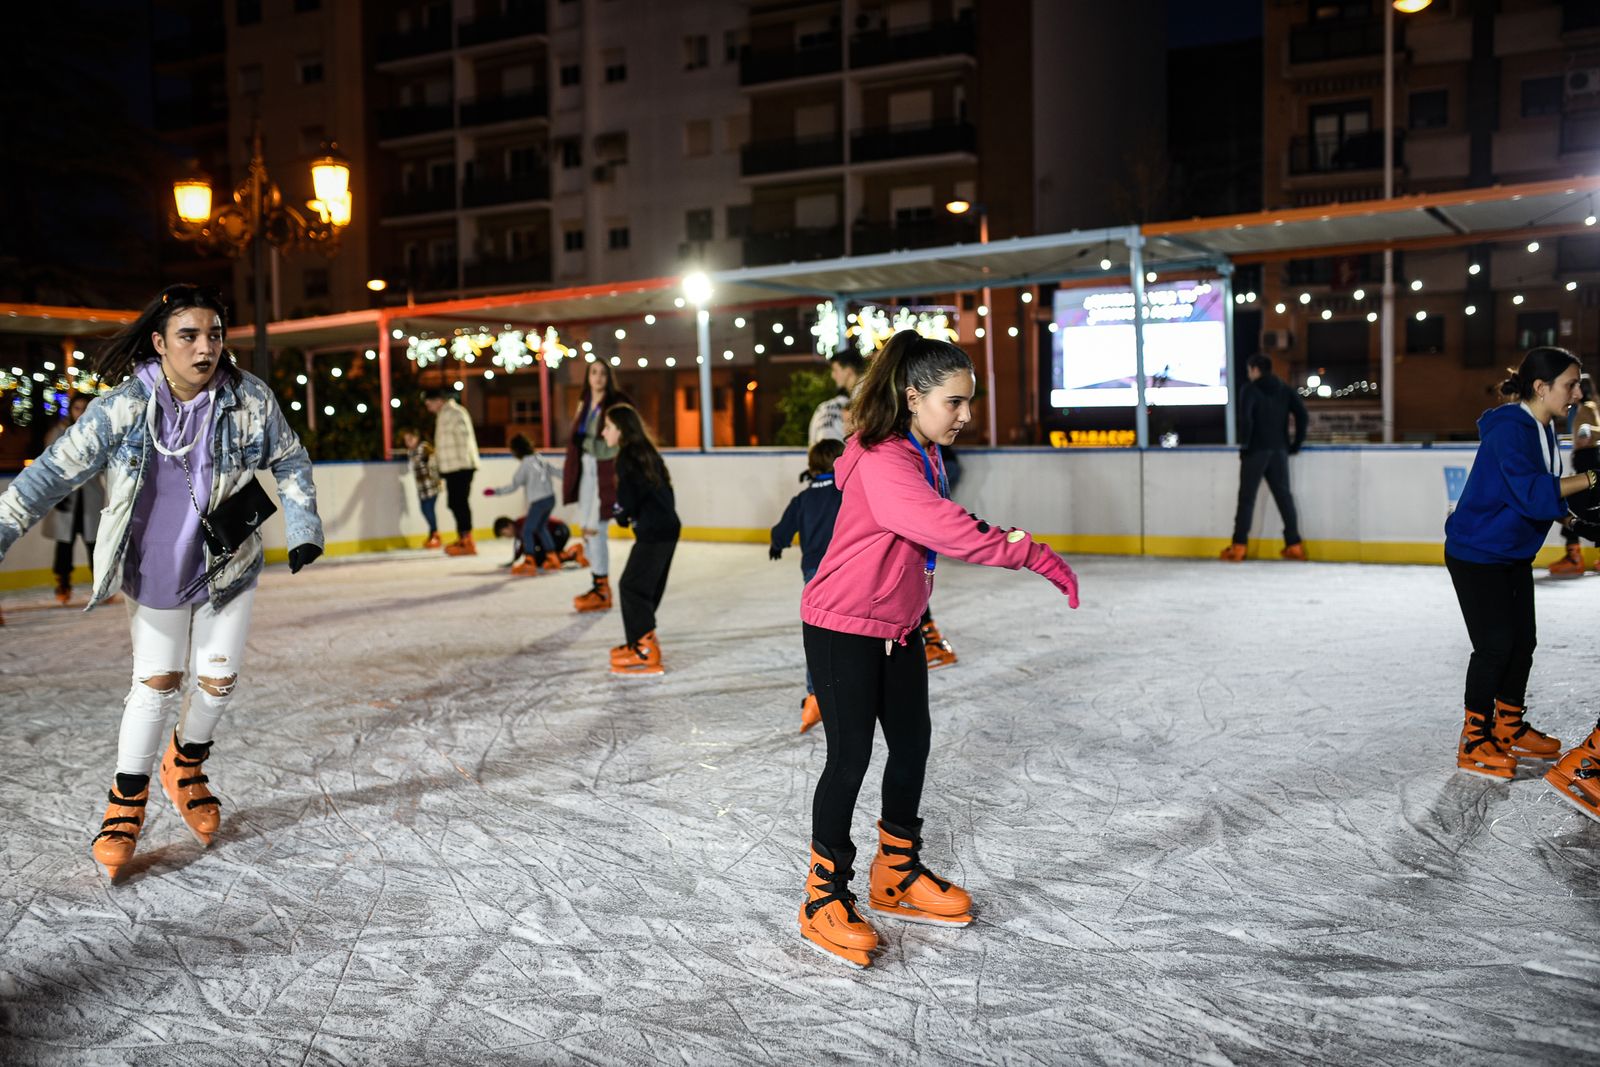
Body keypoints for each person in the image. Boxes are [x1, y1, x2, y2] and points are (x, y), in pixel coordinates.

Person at [0, 283, 323, 881]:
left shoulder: (248, 397)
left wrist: (303, 523)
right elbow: (51, 474)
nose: (206, 348)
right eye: (189, 336)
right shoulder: (124, 407)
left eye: (216, 335)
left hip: (228, 563)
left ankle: (186, 763)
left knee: (219, 681)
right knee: (157, 683)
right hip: (153, 568)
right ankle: (126, 801)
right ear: (159, 342)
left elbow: (291, 457)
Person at [796, 330, 1080, 968]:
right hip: (843, 626)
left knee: (913, 742)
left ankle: (895, 872)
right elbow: (948, 530)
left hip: (896, 627)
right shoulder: (886, 459)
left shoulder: (922, 451)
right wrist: (1032, 551)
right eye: (955, 402)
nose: (966, 415)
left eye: (969, 401)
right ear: (913, 396)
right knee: (850, 758)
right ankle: (822, 897)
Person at [1443, 346, 1598, 782]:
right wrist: (1592, 477)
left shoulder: (1542, 427)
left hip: (1510, 553)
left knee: (1523, 642)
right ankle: (1474, 739)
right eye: (1570, 384)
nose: (1577, 392)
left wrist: (1575, 520)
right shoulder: (1512, 428)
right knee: (1495, 646)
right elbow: (1531, 492)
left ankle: (1507, 725)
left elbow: (1534, 494)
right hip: (1477, 554)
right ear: (1541, 386)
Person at [770, 438, 846, 733]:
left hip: (814, 573)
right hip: (845, 569)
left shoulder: (802, 499)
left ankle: (815, 696)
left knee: (819, 633)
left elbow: (781, 531)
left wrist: (777, 544)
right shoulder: (846, 492)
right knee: (848, 630)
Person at [603, 404, 680, 676]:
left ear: (621, 430)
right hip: (668, 527)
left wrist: (620, 515)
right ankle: (644, 640)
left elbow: (626, 499)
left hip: (653, 530)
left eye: (608, 427)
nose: (604, 432)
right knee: (645, 587)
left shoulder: (626, 456)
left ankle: (644, 649)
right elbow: (665, 491)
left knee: (631, 586)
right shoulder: (648, 452)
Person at [1220, 353, 1309, 562]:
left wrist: (1245, 445)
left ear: (1255, 369)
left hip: (1256, 451)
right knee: (1284, 497)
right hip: (1279, 451)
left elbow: (1247, 419)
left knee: (1246, 500)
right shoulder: (1284, 389)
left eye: (1249, 370)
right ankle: (1294, 545)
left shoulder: (1249, 390)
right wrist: (1295, 444)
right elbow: (1302, 415)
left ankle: (1239, 546)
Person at [563, 361, 630, 613]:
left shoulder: (617, 402)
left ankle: (602, 587)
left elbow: (626, 431)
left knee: (596, 527)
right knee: (586, 527)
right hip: (586, 466)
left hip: (606, 467)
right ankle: (597, 581)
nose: (598, 377)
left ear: (609, 377)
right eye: (593, 372)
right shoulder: (585, 403)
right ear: (587, 377)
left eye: (603, 373)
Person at [43, 393, 106, 604]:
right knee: (64, 545)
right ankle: (63, 583)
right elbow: (48, 464)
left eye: (84, 408)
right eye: (76, 408)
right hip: (66, 498)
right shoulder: (58, 433)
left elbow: (107, 463)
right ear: (70, 410)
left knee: (94, 545)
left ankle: (100, 585)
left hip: (89, 497)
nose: (79, 412)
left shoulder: (99, 431)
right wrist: (55, 492)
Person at [484, 433, 559, 576]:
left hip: (539, 501)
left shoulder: (526, 464)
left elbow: (514, 485)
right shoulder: (539, 458)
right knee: (541, 527)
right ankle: (552, 557)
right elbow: (555, 471)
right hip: (550, 499)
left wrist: (495, 492)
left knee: (527, 530)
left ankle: (529, 562)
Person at [1549, 374, 1600, 576]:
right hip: (1585, 462)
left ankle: (1574, 558)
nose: (1573, 391)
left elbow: (1596, 430)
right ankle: (1574, 556)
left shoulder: (1588, 406)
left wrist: (1588, 430)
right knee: (1585, 509)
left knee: (1577, 507)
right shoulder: (1581, 408)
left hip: (1590, 462)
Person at [425, 388, 479, 556]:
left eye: (429, 404)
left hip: (461, 466)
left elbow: (464, 438)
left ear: (438, 400)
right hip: (452, 467)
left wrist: (462, 463)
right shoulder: (443, 415)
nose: (428, 408)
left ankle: (467, 540)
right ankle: (463, 537)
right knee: (455, 502)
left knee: (459, 502)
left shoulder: (455, 412)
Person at [808, 349, 865, 446]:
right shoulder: (862, 391)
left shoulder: (863, 394)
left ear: (848, 371)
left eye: (835, 370)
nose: (832, 375)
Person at [399, 427, 442, 550]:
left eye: (410, 439)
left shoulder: (423, 447)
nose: (408, 442)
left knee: (428, 510)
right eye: (406, 440)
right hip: (422, 488)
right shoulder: (411, 451)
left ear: (416, 438)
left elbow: (432, 458)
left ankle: (435, 535)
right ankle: (433, 534)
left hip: (431, 485)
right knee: (425, 510)